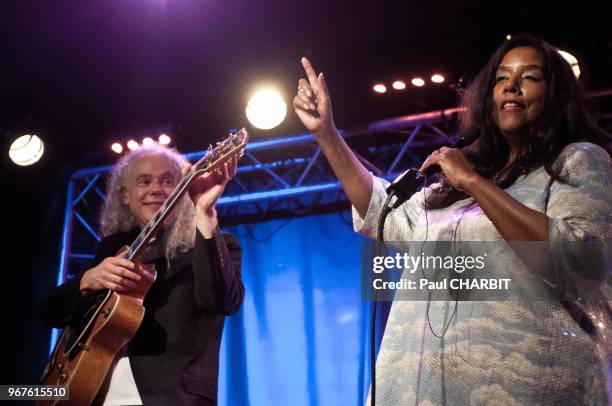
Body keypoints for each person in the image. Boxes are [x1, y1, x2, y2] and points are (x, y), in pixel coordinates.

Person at [294, 34, 612, 404]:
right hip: (419, 388)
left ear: (555, 93)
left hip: (523, 387)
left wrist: (474, 183)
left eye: (530, 77)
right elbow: (383, 211)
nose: (511, 85)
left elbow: (580, 261)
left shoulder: (576, 161)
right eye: (501, 78)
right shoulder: (454, 186)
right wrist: (327, 134)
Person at [43, 144, 244, 405]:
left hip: (168, 398)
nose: (155, 189)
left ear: (182, 190)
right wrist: (86, 281)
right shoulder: (112, 248)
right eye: (144, 181)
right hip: (86, 391)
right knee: (11, 391)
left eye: (168, 180)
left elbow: (222, 301)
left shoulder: (213, 244)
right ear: (125, 195)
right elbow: (49, 313)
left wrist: (204, 213)